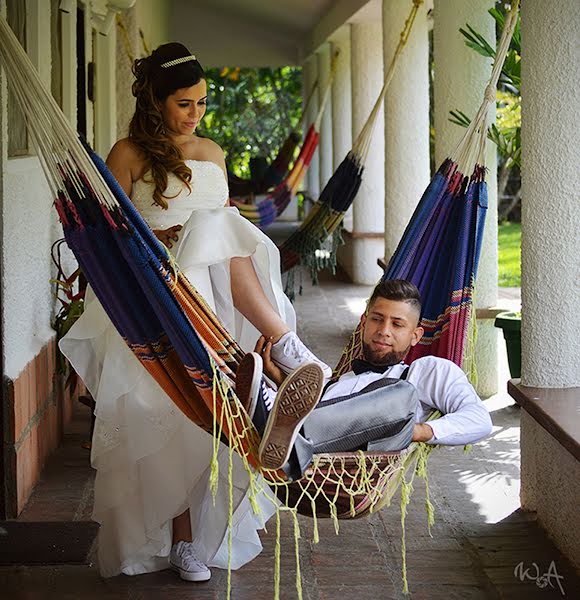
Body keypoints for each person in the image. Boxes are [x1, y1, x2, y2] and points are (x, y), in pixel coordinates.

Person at [60, 42, 330, 583]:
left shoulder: (211, 154)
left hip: (210, 300)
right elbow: (115, 238)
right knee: (171, 420)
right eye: (185, 104)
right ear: (156, 102)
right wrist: (165, 236)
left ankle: (274, 368)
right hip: (152, 299)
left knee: (208, 414)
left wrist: (198, 233)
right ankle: (181, 540)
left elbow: (227, 231)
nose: (197, 115)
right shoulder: (127, 155)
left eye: (203, 104)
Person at [237, 279, 493, 478]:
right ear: (364, 323)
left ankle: (282, 431)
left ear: (415, 336)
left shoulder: (425, 372)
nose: (383, 331)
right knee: (318, 374)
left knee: (401, 394)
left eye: (397, 324)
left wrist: (414, 431)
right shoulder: (342, 380)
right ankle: (275, 415)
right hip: (313, 423)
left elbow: (479, 420)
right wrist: (281, 381)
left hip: (355, 454)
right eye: (377, 320)